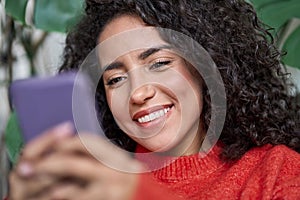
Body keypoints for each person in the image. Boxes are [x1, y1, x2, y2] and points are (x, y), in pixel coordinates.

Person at [8, 0, 300, 199]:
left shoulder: (275, 172)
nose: (137, 92)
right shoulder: (85, 186)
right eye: (115, 79)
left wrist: (137, 190)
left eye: (159, 63)